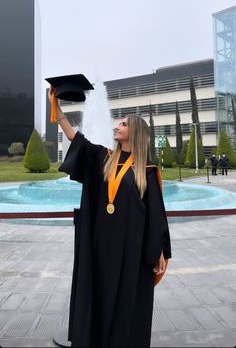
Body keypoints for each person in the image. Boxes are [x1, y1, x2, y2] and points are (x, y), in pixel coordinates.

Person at [48, 87, 171, 348]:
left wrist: (160, 248)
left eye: (124, 124)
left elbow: (156, 213)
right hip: (101, 245)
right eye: (119, 122)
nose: (118, 125)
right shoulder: (104, 158)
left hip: (131, 250)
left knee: (127, 300)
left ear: (135, 133)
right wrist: (57, 111)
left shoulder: (145, 170)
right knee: (100, 294)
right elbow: (76, 139)